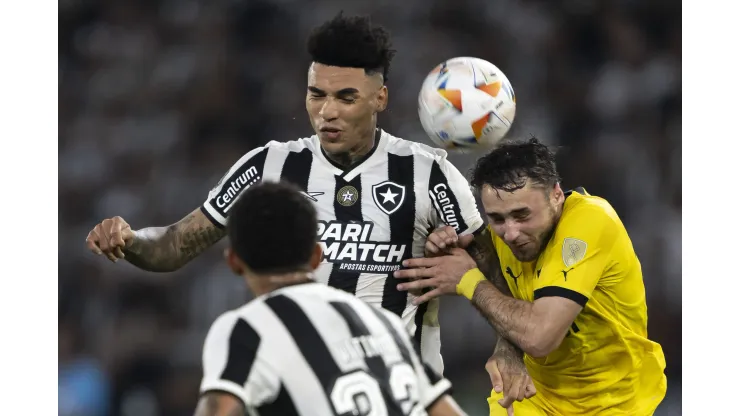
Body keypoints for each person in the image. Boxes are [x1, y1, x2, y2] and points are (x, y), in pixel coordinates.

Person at [84, 11, 531, 388]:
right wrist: (131, 240)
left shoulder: (428, 173)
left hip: (399, 391)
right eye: (317, 94)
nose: (327, 111)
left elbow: (497, 267)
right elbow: (175, 245)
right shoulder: (268, 168)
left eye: (345, 97)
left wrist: (508, 349)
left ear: (380, 98)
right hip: (296, 391)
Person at [395, 138, 668, 415]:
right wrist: (444, 248)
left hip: (613, 403)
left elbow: (539, 337)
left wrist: (467, 280)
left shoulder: (590, 223)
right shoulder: (500, 238)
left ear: (556, 195)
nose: (510, 233)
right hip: (530, 395)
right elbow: (503, 295)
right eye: (497, 218)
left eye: (522, 215)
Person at [193, 181, 466, 416]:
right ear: (316, 256)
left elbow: (221, 409)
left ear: (233, 262)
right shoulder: (382, 321)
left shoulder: (245, 328)